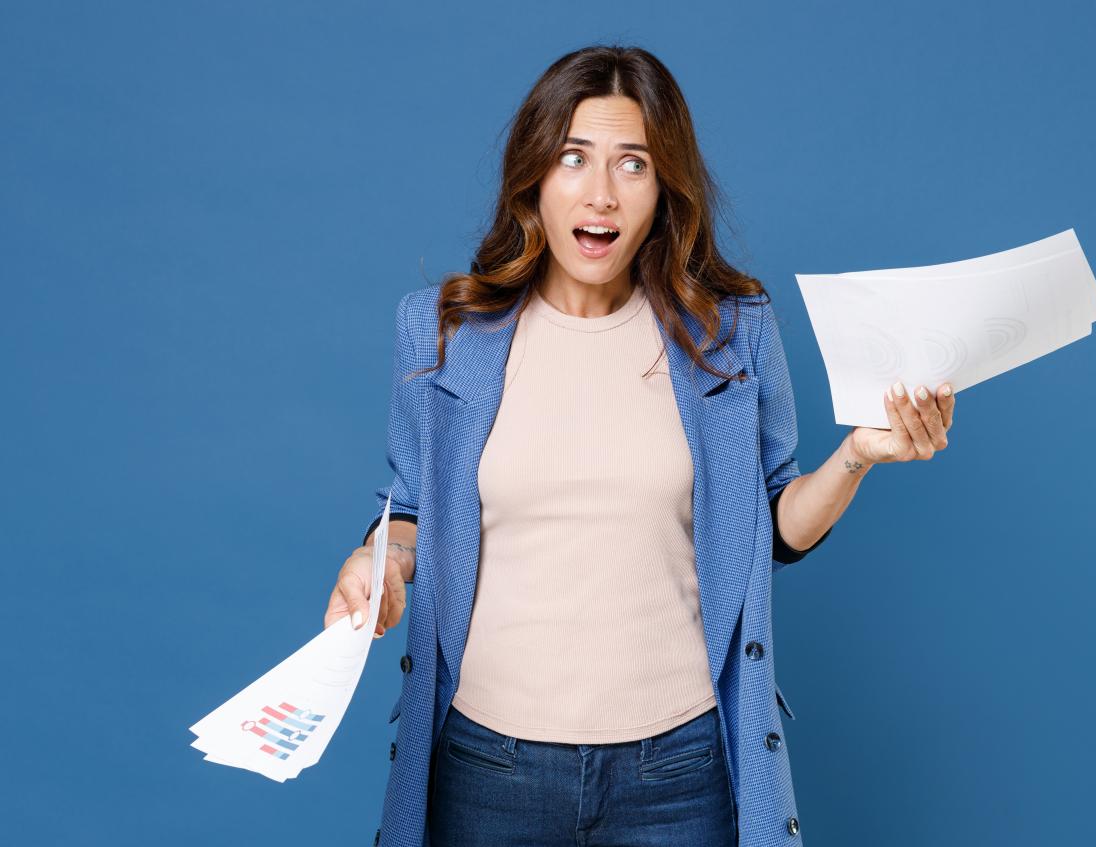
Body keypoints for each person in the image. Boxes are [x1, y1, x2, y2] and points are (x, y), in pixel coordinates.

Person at [324, 44, 955, 847]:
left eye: (633, 164)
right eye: (573, 158)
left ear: (664, 190)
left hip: (678, 772)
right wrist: (377, 557)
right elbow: (411, 510)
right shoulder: (444, 331)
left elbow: (775, 524)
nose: (600, 192)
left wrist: (858, 454)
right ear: (534, 178)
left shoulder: (731, 332)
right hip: (490, 770)